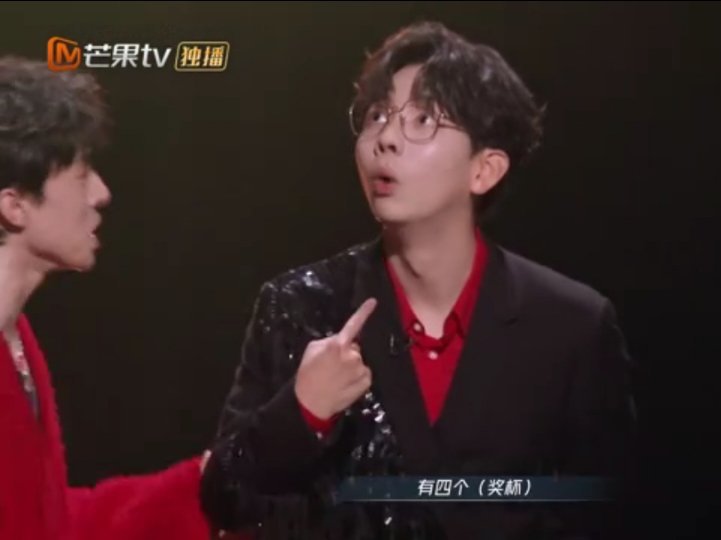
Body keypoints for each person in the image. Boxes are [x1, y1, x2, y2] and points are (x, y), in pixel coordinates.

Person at [201, 21, 638, 539]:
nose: (385, 139)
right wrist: (302, 413)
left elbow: (609, 512)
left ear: (484, 169)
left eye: (423, 119)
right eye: (377, 116)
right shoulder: (302, 306)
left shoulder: (572, 327)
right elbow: (223, 497)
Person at [0, 56, 211, 540]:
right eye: (81, 173)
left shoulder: (18, 340)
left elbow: (45, 519)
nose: (101, 193)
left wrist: (203, 483)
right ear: (15, 205)